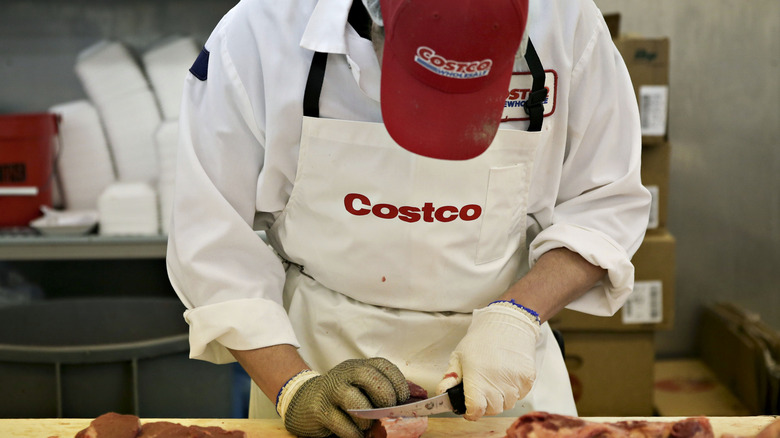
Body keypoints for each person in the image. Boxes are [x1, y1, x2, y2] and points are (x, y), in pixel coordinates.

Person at [166, 0, 651, 436]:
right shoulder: (258, 34)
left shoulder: (567, 23)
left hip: (500, 374)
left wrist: (518, 317)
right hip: (321, 360)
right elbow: (212, 239)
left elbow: (603, 203)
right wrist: (294, 388)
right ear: (376, 21)